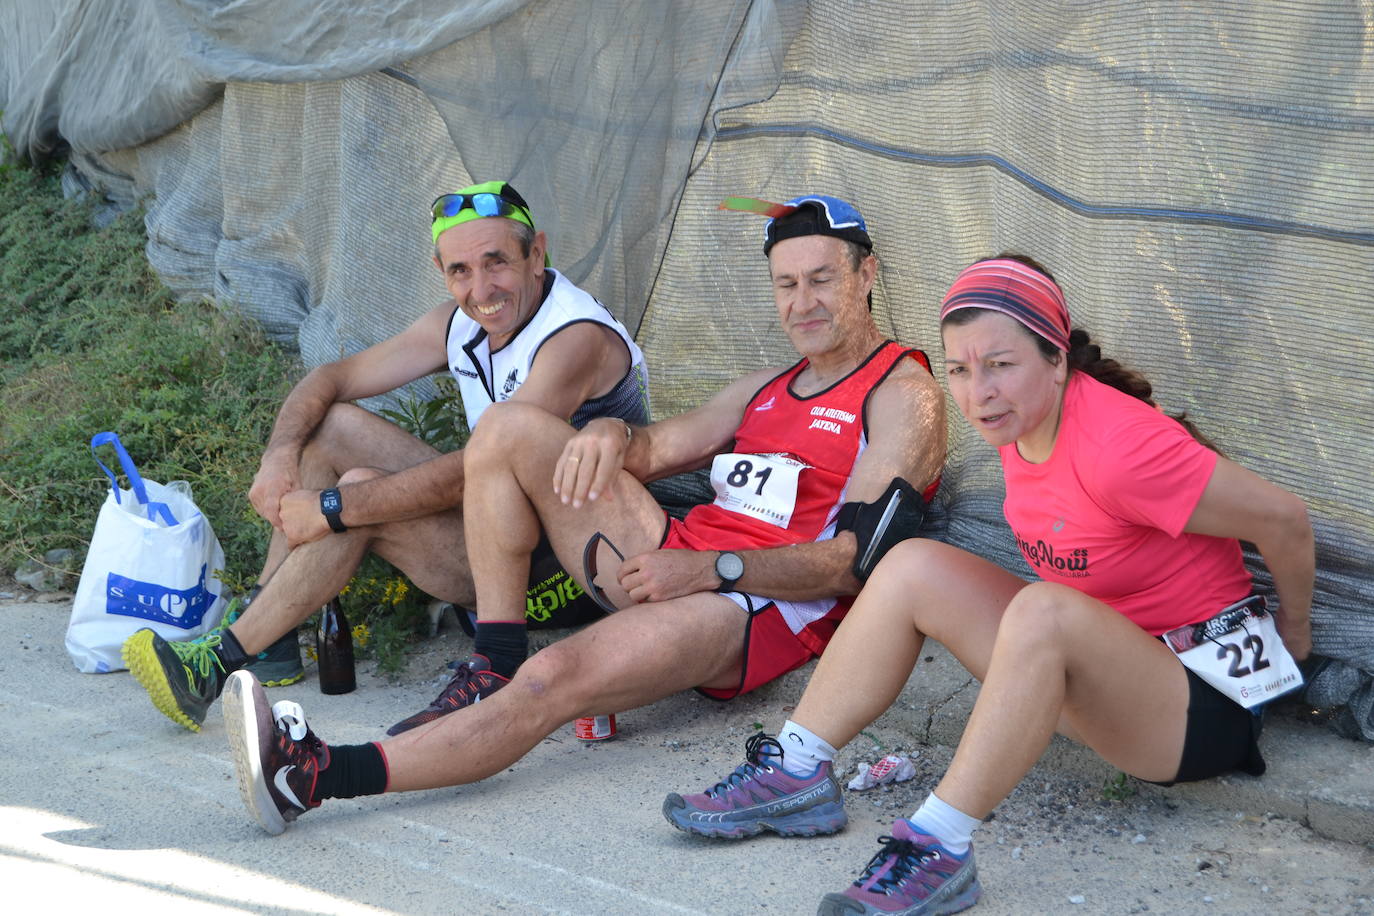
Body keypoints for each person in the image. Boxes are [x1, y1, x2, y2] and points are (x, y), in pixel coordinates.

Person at [219, 194, 948, 836]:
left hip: (755, 601)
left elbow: (852, 566)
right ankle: (493, 656)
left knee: (556, 679)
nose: (802, 302)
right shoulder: (768, 385)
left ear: (866, 275)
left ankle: (313, 775)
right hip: (673, 553)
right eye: (787, 284)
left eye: (822, 280)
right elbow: (660, 445)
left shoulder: (901, 392)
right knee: (507, 428)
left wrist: (712, 568)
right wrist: (612, 435)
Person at [662, 255, 1314, 916]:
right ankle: (795, 769)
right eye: (960, 370)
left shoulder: (1122, 449)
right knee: (912, 564)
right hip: (1104, 675)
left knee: (1044, 611)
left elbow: (1285, 519)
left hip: (1199, 709)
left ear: (1056, 360)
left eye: (1001, 365)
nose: (979, 393)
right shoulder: (1022, 422)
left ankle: (938, 845)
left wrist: (1296, 634)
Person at [122, 180, 650, 733]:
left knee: (358, 499)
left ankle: (217, 664)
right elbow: (332, 378)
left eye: (497, 263)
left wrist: (334, 506)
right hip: (505, 523)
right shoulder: (462, 320)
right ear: (441, 270)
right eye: (460, 271)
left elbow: (467, 473)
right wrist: (278, 455)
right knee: (329, 428)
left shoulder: (571, 339)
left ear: (536, 254)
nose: (480, 288)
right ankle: (267, 625)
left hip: (567, 570)